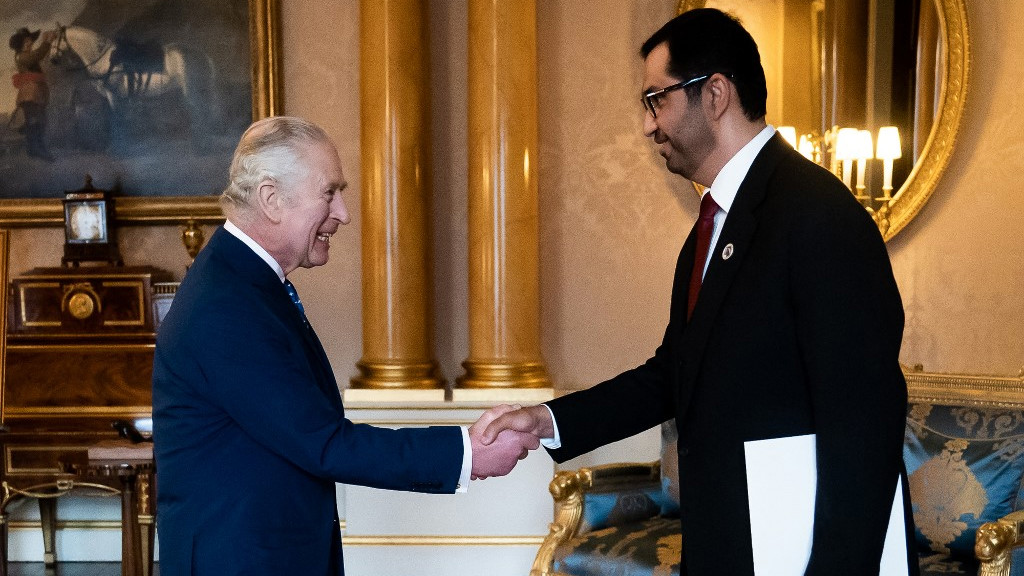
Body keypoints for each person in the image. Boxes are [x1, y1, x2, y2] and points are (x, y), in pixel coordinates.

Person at [483, 9, 916, 576]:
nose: (648, 125)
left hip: (799, 555)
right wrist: (545, 421)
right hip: (730, 543)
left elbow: (863, 425)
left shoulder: (818, 215)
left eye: (656, 100)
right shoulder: (713, 225)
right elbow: (674, 373)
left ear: (714, 94)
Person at [152, 116, 538, 576]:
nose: (343, 213)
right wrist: (467, 452)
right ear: (271, 199)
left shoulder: (244, 282)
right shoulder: (227, 303)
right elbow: (323, 442)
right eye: (329, 192)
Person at [9, 27, 57, 160]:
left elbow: (38, 56)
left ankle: (33, 148)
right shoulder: (22, 57)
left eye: (30, 40)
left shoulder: (27, 55)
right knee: (36, 121)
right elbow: (37, 55)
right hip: (30, 94)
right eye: (26, 42)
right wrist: (47, 41)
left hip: (35, 94)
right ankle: (38, 149)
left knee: (38, 121)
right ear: (20, 45)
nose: (29, 43)